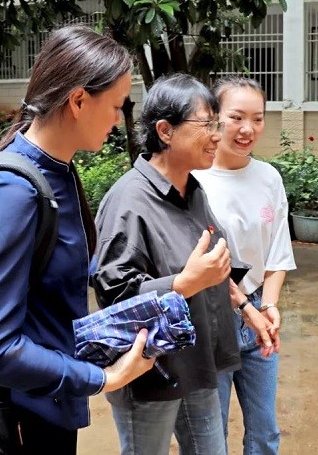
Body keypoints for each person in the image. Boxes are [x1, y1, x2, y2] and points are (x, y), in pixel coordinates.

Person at [0, 25, 155, 454]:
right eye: (116, 106)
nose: (119, 120)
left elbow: (63, 275)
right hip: (16, 420)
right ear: (79, 100)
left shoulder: (57, 170)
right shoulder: (12, 191)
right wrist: (106, 378)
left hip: (48, 405)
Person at [92, 73, 275, 455]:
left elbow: (213, 269)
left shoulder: (193, 192)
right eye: (206, 124)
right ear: (166, 130)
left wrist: (247, 310)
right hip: (148, 370)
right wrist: (181, 284)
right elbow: (114, 296)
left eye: (215, 123)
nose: (216, 134)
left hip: (196, 361)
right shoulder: (128, 201)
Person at [192, 76, 296, 454]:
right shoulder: (194, 179)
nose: (247, 129)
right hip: (209, 317)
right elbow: (205, 265)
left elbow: (277, 253)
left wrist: (268, 306)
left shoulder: (269, 177)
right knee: (211, 433)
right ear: (214, 118)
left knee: (265, 431)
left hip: (256, 316)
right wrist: (248, 309)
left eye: (258, 118)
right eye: (236, 117)